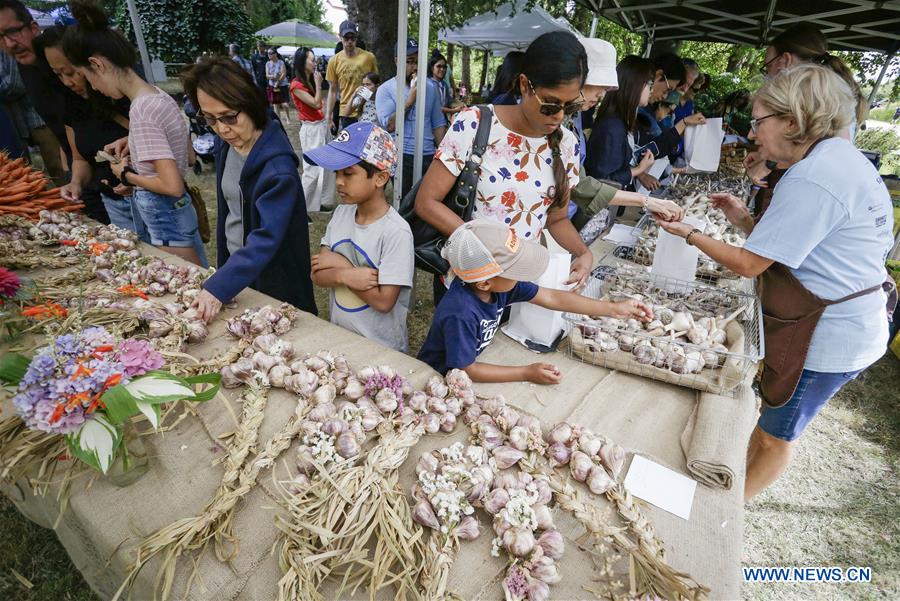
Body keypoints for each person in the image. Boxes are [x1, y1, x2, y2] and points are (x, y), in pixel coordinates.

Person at [656, 64, 893, 502]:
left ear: (792, 120)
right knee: (770, 423)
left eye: (759, 121)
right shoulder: (835, 162)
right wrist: (745, 220)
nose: (753, 133)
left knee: (775, 437)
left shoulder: (815, 176)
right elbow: (795, 249)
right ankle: (728, 485)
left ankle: (723, 512)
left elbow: (749, 265)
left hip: (829, 333)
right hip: (838, 318)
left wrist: (689, 232)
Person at [416, 31, 594, 306]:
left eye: (570, 106)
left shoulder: (567, 144)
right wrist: (484, 248)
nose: (559, 116)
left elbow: (556, 219)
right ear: (525, 85)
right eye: (550, 104)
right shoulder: (474, 123)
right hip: (469, 280)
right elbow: (427, 203)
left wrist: (583, 252)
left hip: (522, 286)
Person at [417, 220, 653, 383]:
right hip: (438, 376)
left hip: (466, 365)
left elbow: (551, 297)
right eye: (514, 269)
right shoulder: (461, 312)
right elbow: (467, 368)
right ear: (484, 283)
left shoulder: (500, 286)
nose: (521, 274)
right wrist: (525, 372)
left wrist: (612, 309)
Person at [64, 0, 207, 267]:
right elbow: (186, 156)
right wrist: (132, 141)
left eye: (88, 76)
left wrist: (127, 175)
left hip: (167, 221)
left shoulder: (141, 112)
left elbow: (172, 186)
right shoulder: (159, 96)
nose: (93, 88)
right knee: (200, 275)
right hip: (179, 216)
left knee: (193, 284)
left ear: (97, 65)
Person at [181, 58, 317, 320]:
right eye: (210, 119)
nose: (222, 129)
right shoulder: (227, 143)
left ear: (250, 104)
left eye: (229, 117)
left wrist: (219, 286)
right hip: (238, 273)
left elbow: (267, 238)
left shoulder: (278, 170)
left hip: (274, 284)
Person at [306, 122, 414, 353]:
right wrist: (347, 273)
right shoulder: (342, 213)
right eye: (336, 173)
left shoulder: (396, 232)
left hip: (381, 349)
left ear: (380, 178)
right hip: (340, 338)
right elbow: (317, 274)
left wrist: (339, 269)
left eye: (348, 173)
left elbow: (384, 302)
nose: (339, 181)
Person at [35, 25, 141, 230]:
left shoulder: (125, 96)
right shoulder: (71, 104)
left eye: (71, 72)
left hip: (150, 201)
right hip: (114, 205)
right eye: (58, 74)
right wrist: (75, 183)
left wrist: (133, 177)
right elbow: (80, 157)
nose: (67, 82)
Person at [746, 23, 867, 192]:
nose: (768, 75)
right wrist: (765, 155)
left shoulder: (823, 96)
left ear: (786, 60)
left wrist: (769, 163)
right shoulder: (825, 90)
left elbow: (822, 156)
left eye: (768, 66)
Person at [0, 0, 73, 185]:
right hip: (26, 121)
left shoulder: (56, 54)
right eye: (1, 37)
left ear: (33, 28)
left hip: (38, 121)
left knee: (55, 163)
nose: (9, 43)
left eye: (13, 31)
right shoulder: (21, 59)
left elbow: (13, 86)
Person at [374, 38, 446, 200]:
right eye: (410, 62)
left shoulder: (430, 87)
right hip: (402, 155)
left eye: (418, 62)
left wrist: (443, 155)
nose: (415, 67)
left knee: (428, 202)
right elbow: (390, 126)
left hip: (428, 154)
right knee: (405, 202)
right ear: (397, 61)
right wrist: (409, 101)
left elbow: (438, 123)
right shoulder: (386, 90)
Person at [290, 47, 336, 213]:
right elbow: (316, 103)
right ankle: (301, 207)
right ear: (302, 62)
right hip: (311, 129)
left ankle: (323, 202)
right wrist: (318, 84)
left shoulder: (307, 80)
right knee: (312, 169)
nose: (315, 62)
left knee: (327, 165)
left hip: (320, 125)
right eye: (312, 59)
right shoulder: (296, 85)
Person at [325, 20, 377, 131]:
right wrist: (329, 115)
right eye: (346, 38)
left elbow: (376, 83)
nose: (349, 42)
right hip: (346, 111)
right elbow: (333, 90)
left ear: (356, 38)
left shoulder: (369, 57)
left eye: (352, 38)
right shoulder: (334, 61)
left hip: (367, 110)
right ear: (340, 37)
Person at [428, 51, 459, 121]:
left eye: (444, 67)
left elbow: (449, 102)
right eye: (439, 66)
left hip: (443, 121)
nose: (442, 69)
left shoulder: (444, 84)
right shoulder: (429, 84)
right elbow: (437, 108)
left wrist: (459, 105)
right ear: (432, 68)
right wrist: (453, 111)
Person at [265, 48, 291, 124]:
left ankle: (288, 117)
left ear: (275, 54)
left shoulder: (281, 62)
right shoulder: (268, 63)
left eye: (271, 53)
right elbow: (267, 75)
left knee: (285, 103)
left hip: (282, 85)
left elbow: (283, 73)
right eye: (268, 53)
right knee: (275, 103)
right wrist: (274, 76)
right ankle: (278, 119)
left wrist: (278, 81)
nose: (269, 55)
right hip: (272, 85)